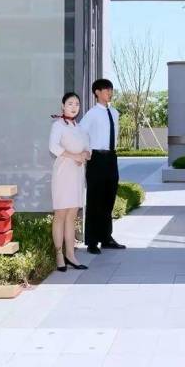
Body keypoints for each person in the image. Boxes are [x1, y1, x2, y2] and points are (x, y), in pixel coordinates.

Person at [79, 78, 126, 254]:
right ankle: (92, 241)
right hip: (96, 158)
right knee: (94, 199)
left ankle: (106, 238)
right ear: (97, 92)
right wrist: (86, 151)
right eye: (106, 90)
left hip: (111, 158)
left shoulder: (114, 112)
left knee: (108, 198)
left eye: (111, 89)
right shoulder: (92, 114)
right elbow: (81, 133)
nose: (110, 92)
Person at [49, 92, 91, 271]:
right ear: (63, 106)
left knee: (72, 214)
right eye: (70, 103)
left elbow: (88, 149)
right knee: (60, 214)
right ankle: (59, 255)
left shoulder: (80, 128)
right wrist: (74, 156)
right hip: (62, 173)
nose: (74, 107)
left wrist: (85, 155)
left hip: (77, 174)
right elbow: (53, 147)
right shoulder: (58, 125)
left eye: (77, 104)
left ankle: (71, 254)